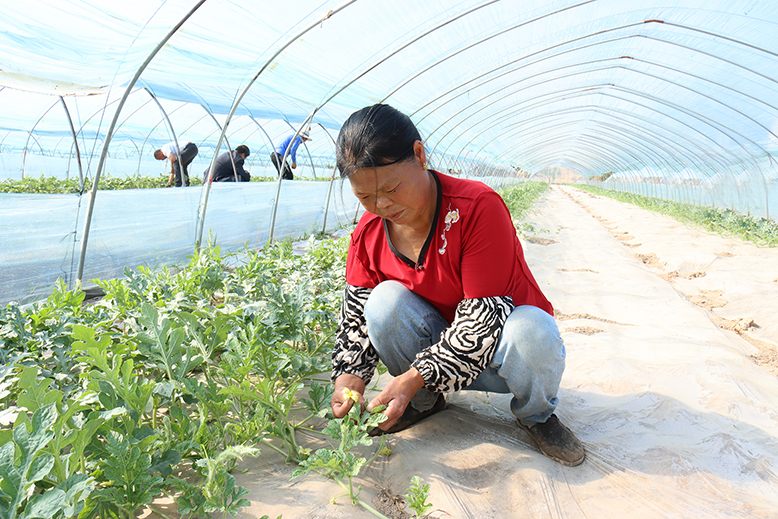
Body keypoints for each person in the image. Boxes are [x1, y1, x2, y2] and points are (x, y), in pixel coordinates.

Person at [329, 104, 585, 467]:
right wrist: (349, 380)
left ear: (419, 155)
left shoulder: (476, 207)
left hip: (504, 356)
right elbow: (356, 321)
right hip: (432, 358)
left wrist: (411, 378)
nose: (381, 204)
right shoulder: (368, 234)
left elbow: (483, 321)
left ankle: (538, 416)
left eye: (391, 188)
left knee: (533, 330)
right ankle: (424, 403)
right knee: (381, 302)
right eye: (364, 197)